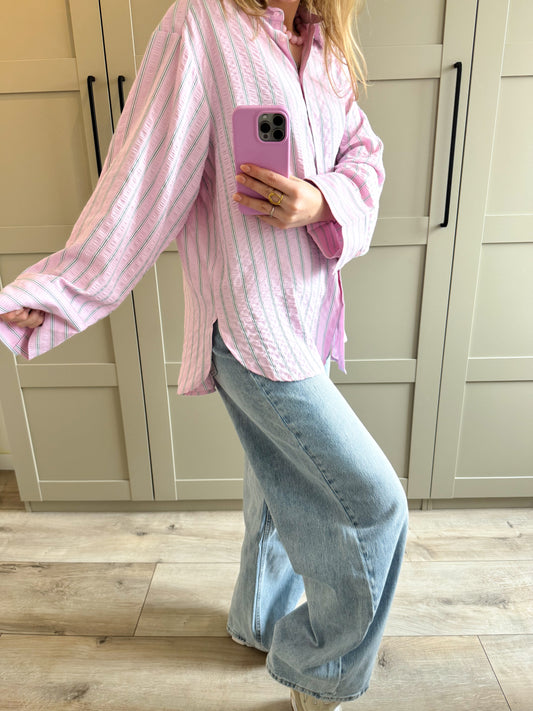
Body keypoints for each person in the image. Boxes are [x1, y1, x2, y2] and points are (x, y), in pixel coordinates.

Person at [0, 1, 408, 709]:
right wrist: (60, 291)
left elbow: (363, 155)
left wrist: (319, 200)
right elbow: (141, 178)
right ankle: (320, 674)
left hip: (308, 315)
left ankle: (257, 621)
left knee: (278, 489)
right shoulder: (200, 25)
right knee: (373, 505)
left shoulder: (323, 45)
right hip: (250, 323)